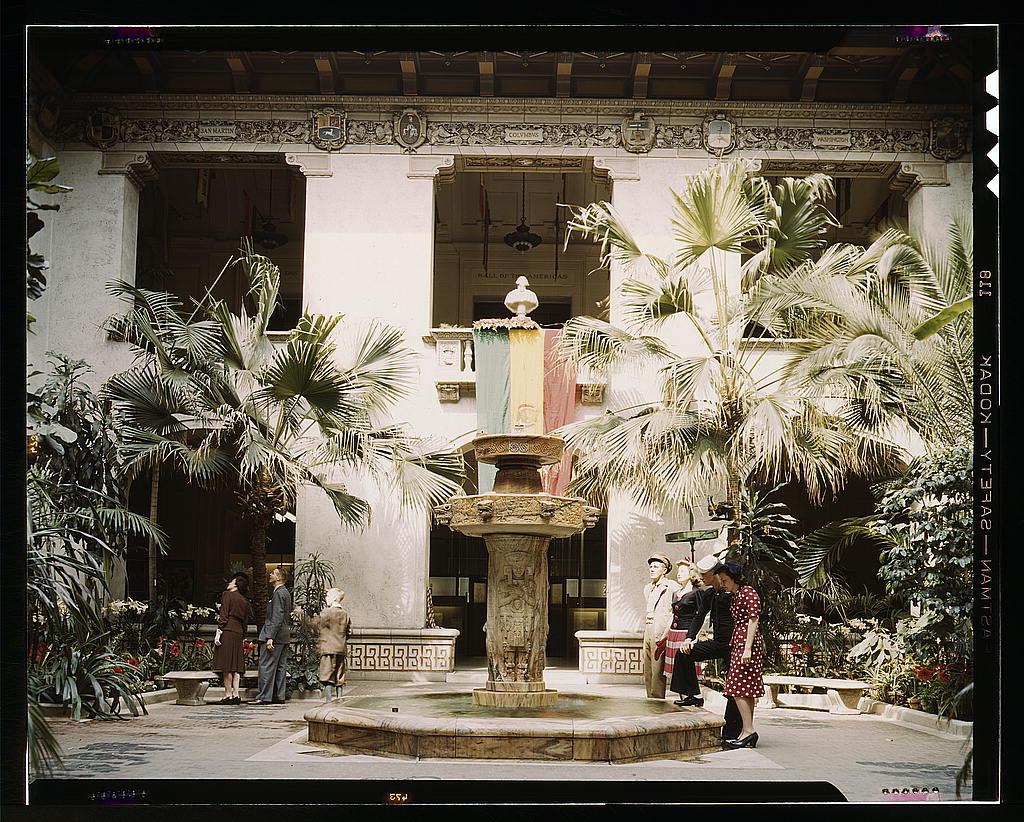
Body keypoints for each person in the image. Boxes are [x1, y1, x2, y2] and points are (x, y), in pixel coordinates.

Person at [672, 553, 743, 740]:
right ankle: (693, 694)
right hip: (719, 642)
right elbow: (699, 616)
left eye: (705, 575)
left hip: (734, 645)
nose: (701, 578)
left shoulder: (735, 591)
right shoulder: (709, 593)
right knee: (684, 653)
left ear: (715, 574)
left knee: (733, 687)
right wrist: (689, 638)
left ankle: (732, 731)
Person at [715, 561, 764, 749]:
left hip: (746, 643)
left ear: (734, 578)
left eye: (725, 580)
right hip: (740, 642)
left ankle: (749, 730)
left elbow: (754, 619)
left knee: (737, 687)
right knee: (745, 688)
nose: (723, 583)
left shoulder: (748, 592)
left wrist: (748, 648)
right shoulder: (736, 595)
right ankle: (747, 731)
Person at [293, 588, 352, 702]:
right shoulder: (345, 614)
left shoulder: (326, 612)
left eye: (327, 596)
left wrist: (300, 615)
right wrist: (342, 640)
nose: (326, 598)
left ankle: (328, 701)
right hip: (341, 649)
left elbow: (314, 624)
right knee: (339, 675)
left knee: (327, 676)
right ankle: (340, 699)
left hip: (328, 648)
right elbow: (349, 631)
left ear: (334, 598)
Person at [641, 552, 682, 699]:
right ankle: (650, 698)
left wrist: (667, 632)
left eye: (656, 567)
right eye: (651, 566)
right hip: (648, 627)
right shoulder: (648, 588)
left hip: (661, 630)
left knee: (658, 668)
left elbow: (674, 612)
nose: (652, 569)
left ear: (664, 570)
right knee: (648, 667)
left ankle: (657, 700)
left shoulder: (671, 587)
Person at [252, 566, 293, 705]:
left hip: (274, 635)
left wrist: (270, 637)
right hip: (283, 635)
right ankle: (279, 696)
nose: (270, 574)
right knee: (280, 667)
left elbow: (277, 616)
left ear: (279, 578)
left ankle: (264, 696)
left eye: (273, 573)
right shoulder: (285, 593)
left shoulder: (278, 593)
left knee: (266, 666)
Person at [662, 559, 703, 694]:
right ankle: (682, 696)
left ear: (691, 573)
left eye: (682, 571)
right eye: (678, 571)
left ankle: (690, 695)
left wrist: (695, 637)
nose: (679, 574)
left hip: (686, 633)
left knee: (686, 665)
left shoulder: (696, 592)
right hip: (674, 633)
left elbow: (701, 615)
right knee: (676, 668)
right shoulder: (677, 592)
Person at [212, 573, 250, 705]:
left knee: (227, 666)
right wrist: (243, 636)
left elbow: (224, 615)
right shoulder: (244, 600)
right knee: (236, 665)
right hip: (239, 632)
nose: (229, 583)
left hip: (228, 630)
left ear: (236, 585)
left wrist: (219, 631)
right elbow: (245, 621)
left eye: (231, 581)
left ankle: (228, 695)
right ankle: (236, 694)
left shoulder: (227, 595)